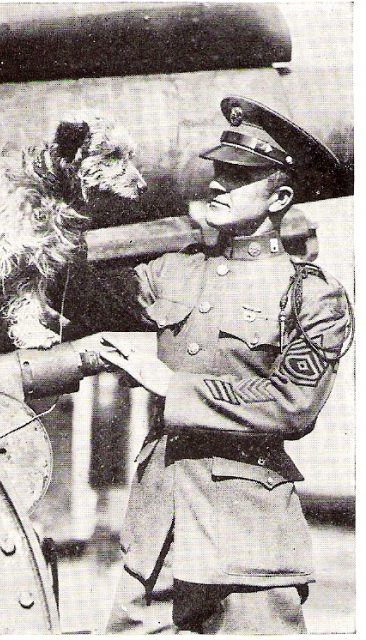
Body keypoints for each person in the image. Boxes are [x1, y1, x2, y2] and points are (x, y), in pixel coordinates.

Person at [61, 96, 354, 633]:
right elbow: (70, 296)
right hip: (155, 538)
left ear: (280, 196)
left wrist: (174, 389)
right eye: (218, 170)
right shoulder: (172, 272)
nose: (217, 184)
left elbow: (293, 407)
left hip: (248, 546)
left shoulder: (312, 295)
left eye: (239, 176)